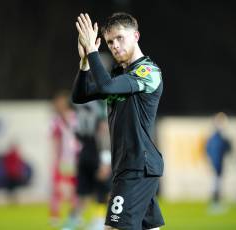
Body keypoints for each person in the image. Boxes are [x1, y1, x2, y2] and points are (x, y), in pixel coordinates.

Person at [73, 12, 164, 230]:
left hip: (137, 167)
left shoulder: (148, 71)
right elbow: (80, 95)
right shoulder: (118, 74)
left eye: (120, 38)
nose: (115, 46)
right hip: (127, 166)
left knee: (114, 228)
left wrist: (94, 51)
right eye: (110, 42)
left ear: (136, 36)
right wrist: (85, 61)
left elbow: (106, 87)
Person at [62, 101, 113, 230]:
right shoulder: (99, 103)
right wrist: (106, 161)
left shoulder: (78, 101)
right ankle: (98, 223)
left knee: (82, 194)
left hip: (84, 152)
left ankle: (70, 225)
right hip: (96, 152)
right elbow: (103, 131)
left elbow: (73, 129)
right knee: (104, 193)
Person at [49, 90, 82, 226]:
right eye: (58, 103)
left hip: (75, 159)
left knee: (76, 190)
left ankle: (74, 215)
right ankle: (55, 215)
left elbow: (80, 137)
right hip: (63, 159)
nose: (60, 105)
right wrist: (56, 159)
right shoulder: (55, 121)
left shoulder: (75, 117)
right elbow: (55, 140)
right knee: (58, 189)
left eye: (61, 102)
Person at [206, 112, 231, 212]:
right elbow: (213, 151)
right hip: (217, 164)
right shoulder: (216, 138)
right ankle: (214, 205)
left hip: (217, 164)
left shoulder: (218, 137)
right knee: (216, 184)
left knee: (217, 184)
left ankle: (216, 204)